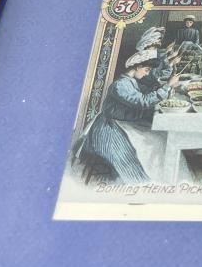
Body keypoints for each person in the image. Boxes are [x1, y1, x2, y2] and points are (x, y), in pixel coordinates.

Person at [76, 48, 178, 182]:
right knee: (143, 150)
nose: (147, 74)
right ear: (137, 67)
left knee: (159, 138)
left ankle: (160, 177)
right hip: (109, 129)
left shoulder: (131, 81)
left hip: (122, 124)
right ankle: (144, 183)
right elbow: (143, 101)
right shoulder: (120, 85)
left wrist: (165, 88)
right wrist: (167, 86)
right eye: (146, 70)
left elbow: (146, 93)